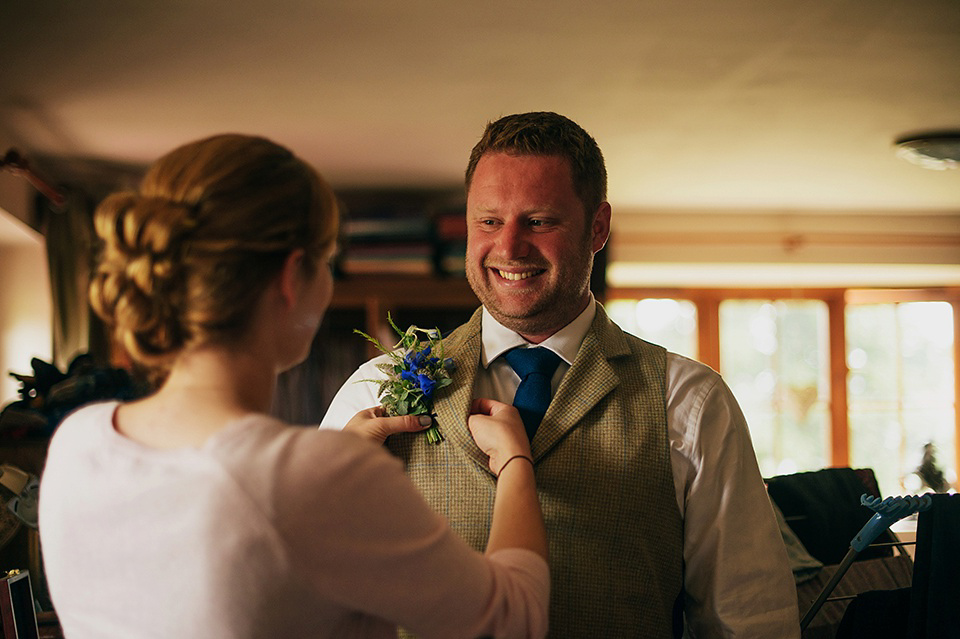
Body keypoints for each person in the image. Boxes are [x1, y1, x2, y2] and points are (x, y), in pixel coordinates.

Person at [38, 134, 549, 639]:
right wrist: (515, 464)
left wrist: (328, 470)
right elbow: (512, 621)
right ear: (290, 278)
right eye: (327, 261)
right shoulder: (318, 478)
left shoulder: (76, 442)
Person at [321, 112, 802, 638]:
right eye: (488, 221)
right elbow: (312, 595)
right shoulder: (375, 390)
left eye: (538, 221)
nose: (508, 248)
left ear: (598, 228)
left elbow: (750, 620)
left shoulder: (688, 400)